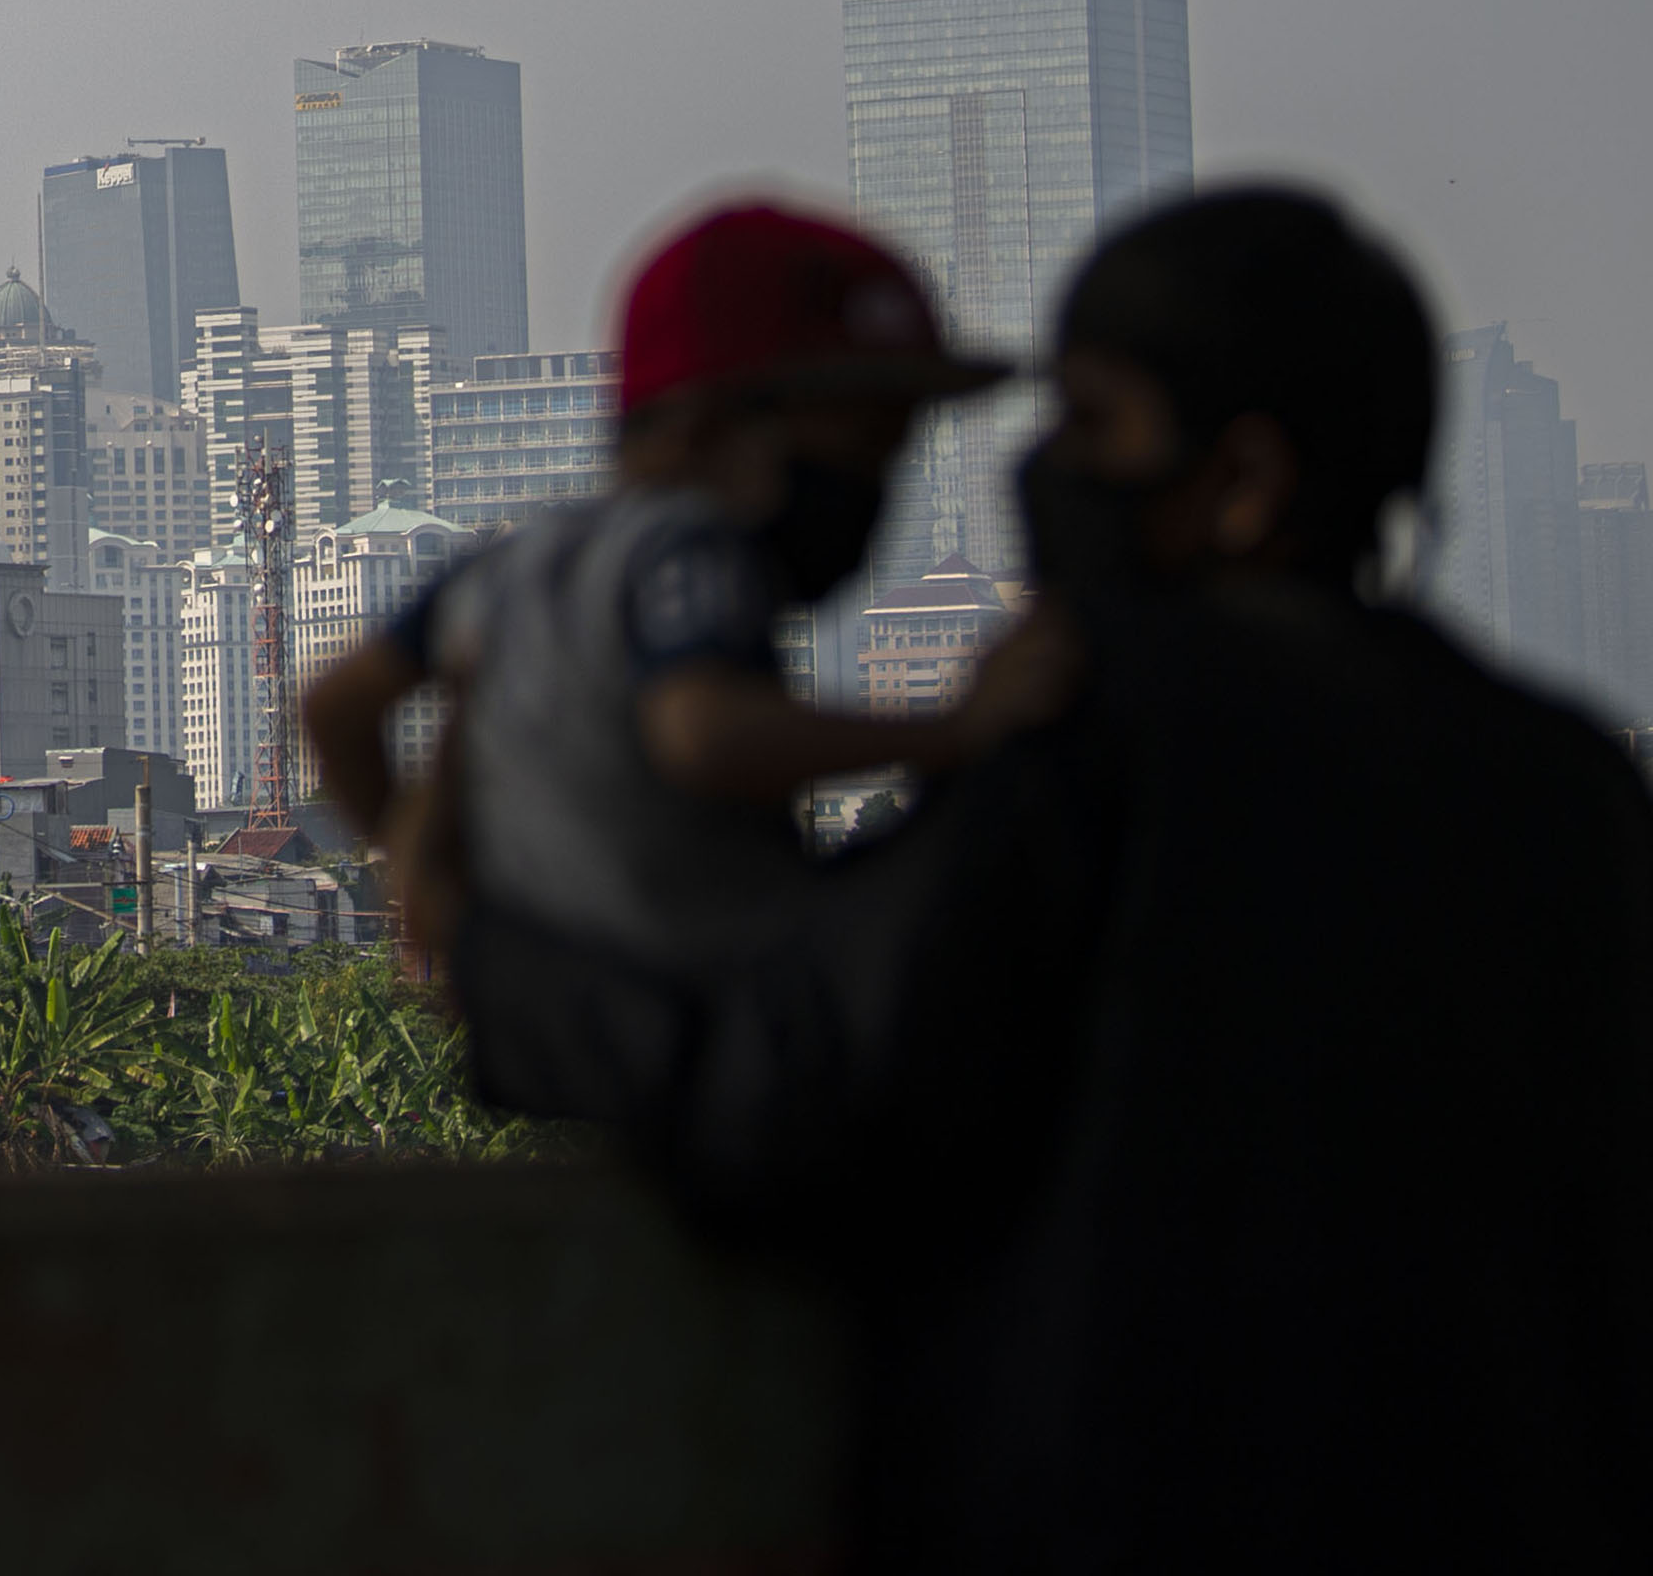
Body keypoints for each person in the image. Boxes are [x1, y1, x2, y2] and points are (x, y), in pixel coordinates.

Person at [820, 188, 1653, 1569]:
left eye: (1093, 423)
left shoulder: (1091, 742)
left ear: (1245, 480)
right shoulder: (1575, 786)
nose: (1049, 471)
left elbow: (831, 1075)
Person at [300, 201, 1028, 1048]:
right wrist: (959, 729)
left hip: (556, 1008)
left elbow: (336, 706)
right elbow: (702, 733)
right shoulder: (691, 546)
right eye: (863, 442)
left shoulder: (520, 558)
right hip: (705, 1003)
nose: (877, 482)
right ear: (714, 427)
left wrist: (429, 887)